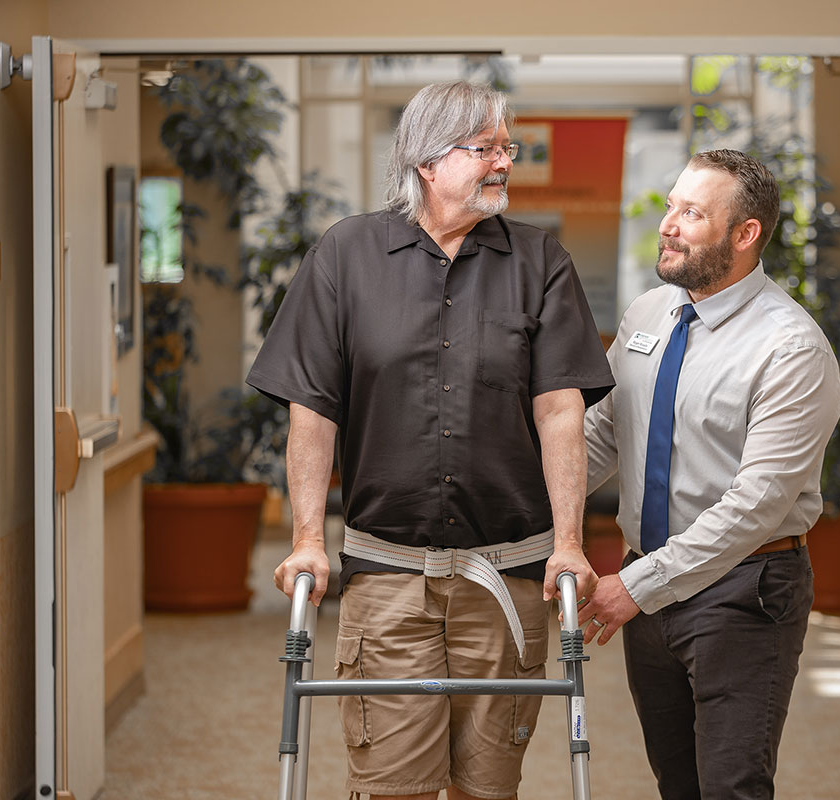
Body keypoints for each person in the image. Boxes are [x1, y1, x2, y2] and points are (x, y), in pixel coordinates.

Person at [247, 80, 613, 800]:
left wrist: (570, 540)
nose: (505, 162)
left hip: (505, 576)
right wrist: (308, 539)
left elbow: (561, 414)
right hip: (386, 581)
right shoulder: (346, 256)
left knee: (488, 789)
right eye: (487, 148)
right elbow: (312, 414)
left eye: (509, 147)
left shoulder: (540, 264)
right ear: (426, 160)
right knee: (390, 787)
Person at [579, 149, 840, 799]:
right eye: (671, 205)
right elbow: (604, 436)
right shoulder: (647, 316)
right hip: (652, 583)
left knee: (730, 785)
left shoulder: (790, 347)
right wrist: (522, 511)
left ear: (744, 234)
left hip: (743, 588)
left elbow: (756, 504)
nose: (668, 223)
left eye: (692, 213)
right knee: (678, 782)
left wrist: (635, 584)